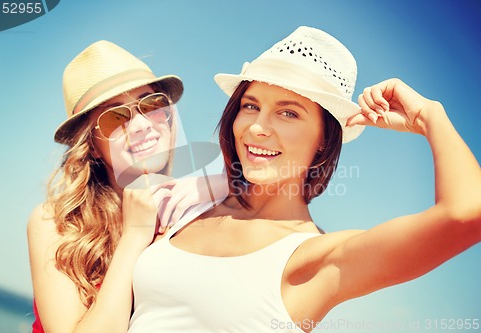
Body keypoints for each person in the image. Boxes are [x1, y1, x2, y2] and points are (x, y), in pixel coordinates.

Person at [128, 26, 481, 333]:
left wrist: (429, 117)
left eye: (288, 112)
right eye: (250, 106)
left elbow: (467, 213)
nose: (256, 127)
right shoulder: (187, 207)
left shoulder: (316, 259)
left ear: (324, 140)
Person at [27, 40, 226, 333]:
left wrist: (232, 185)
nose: (141, 125)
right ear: (92, 147)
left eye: (152, 104)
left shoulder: (198, 209)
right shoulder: (56, 224)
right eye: (114, 117)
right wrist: (134, 236)